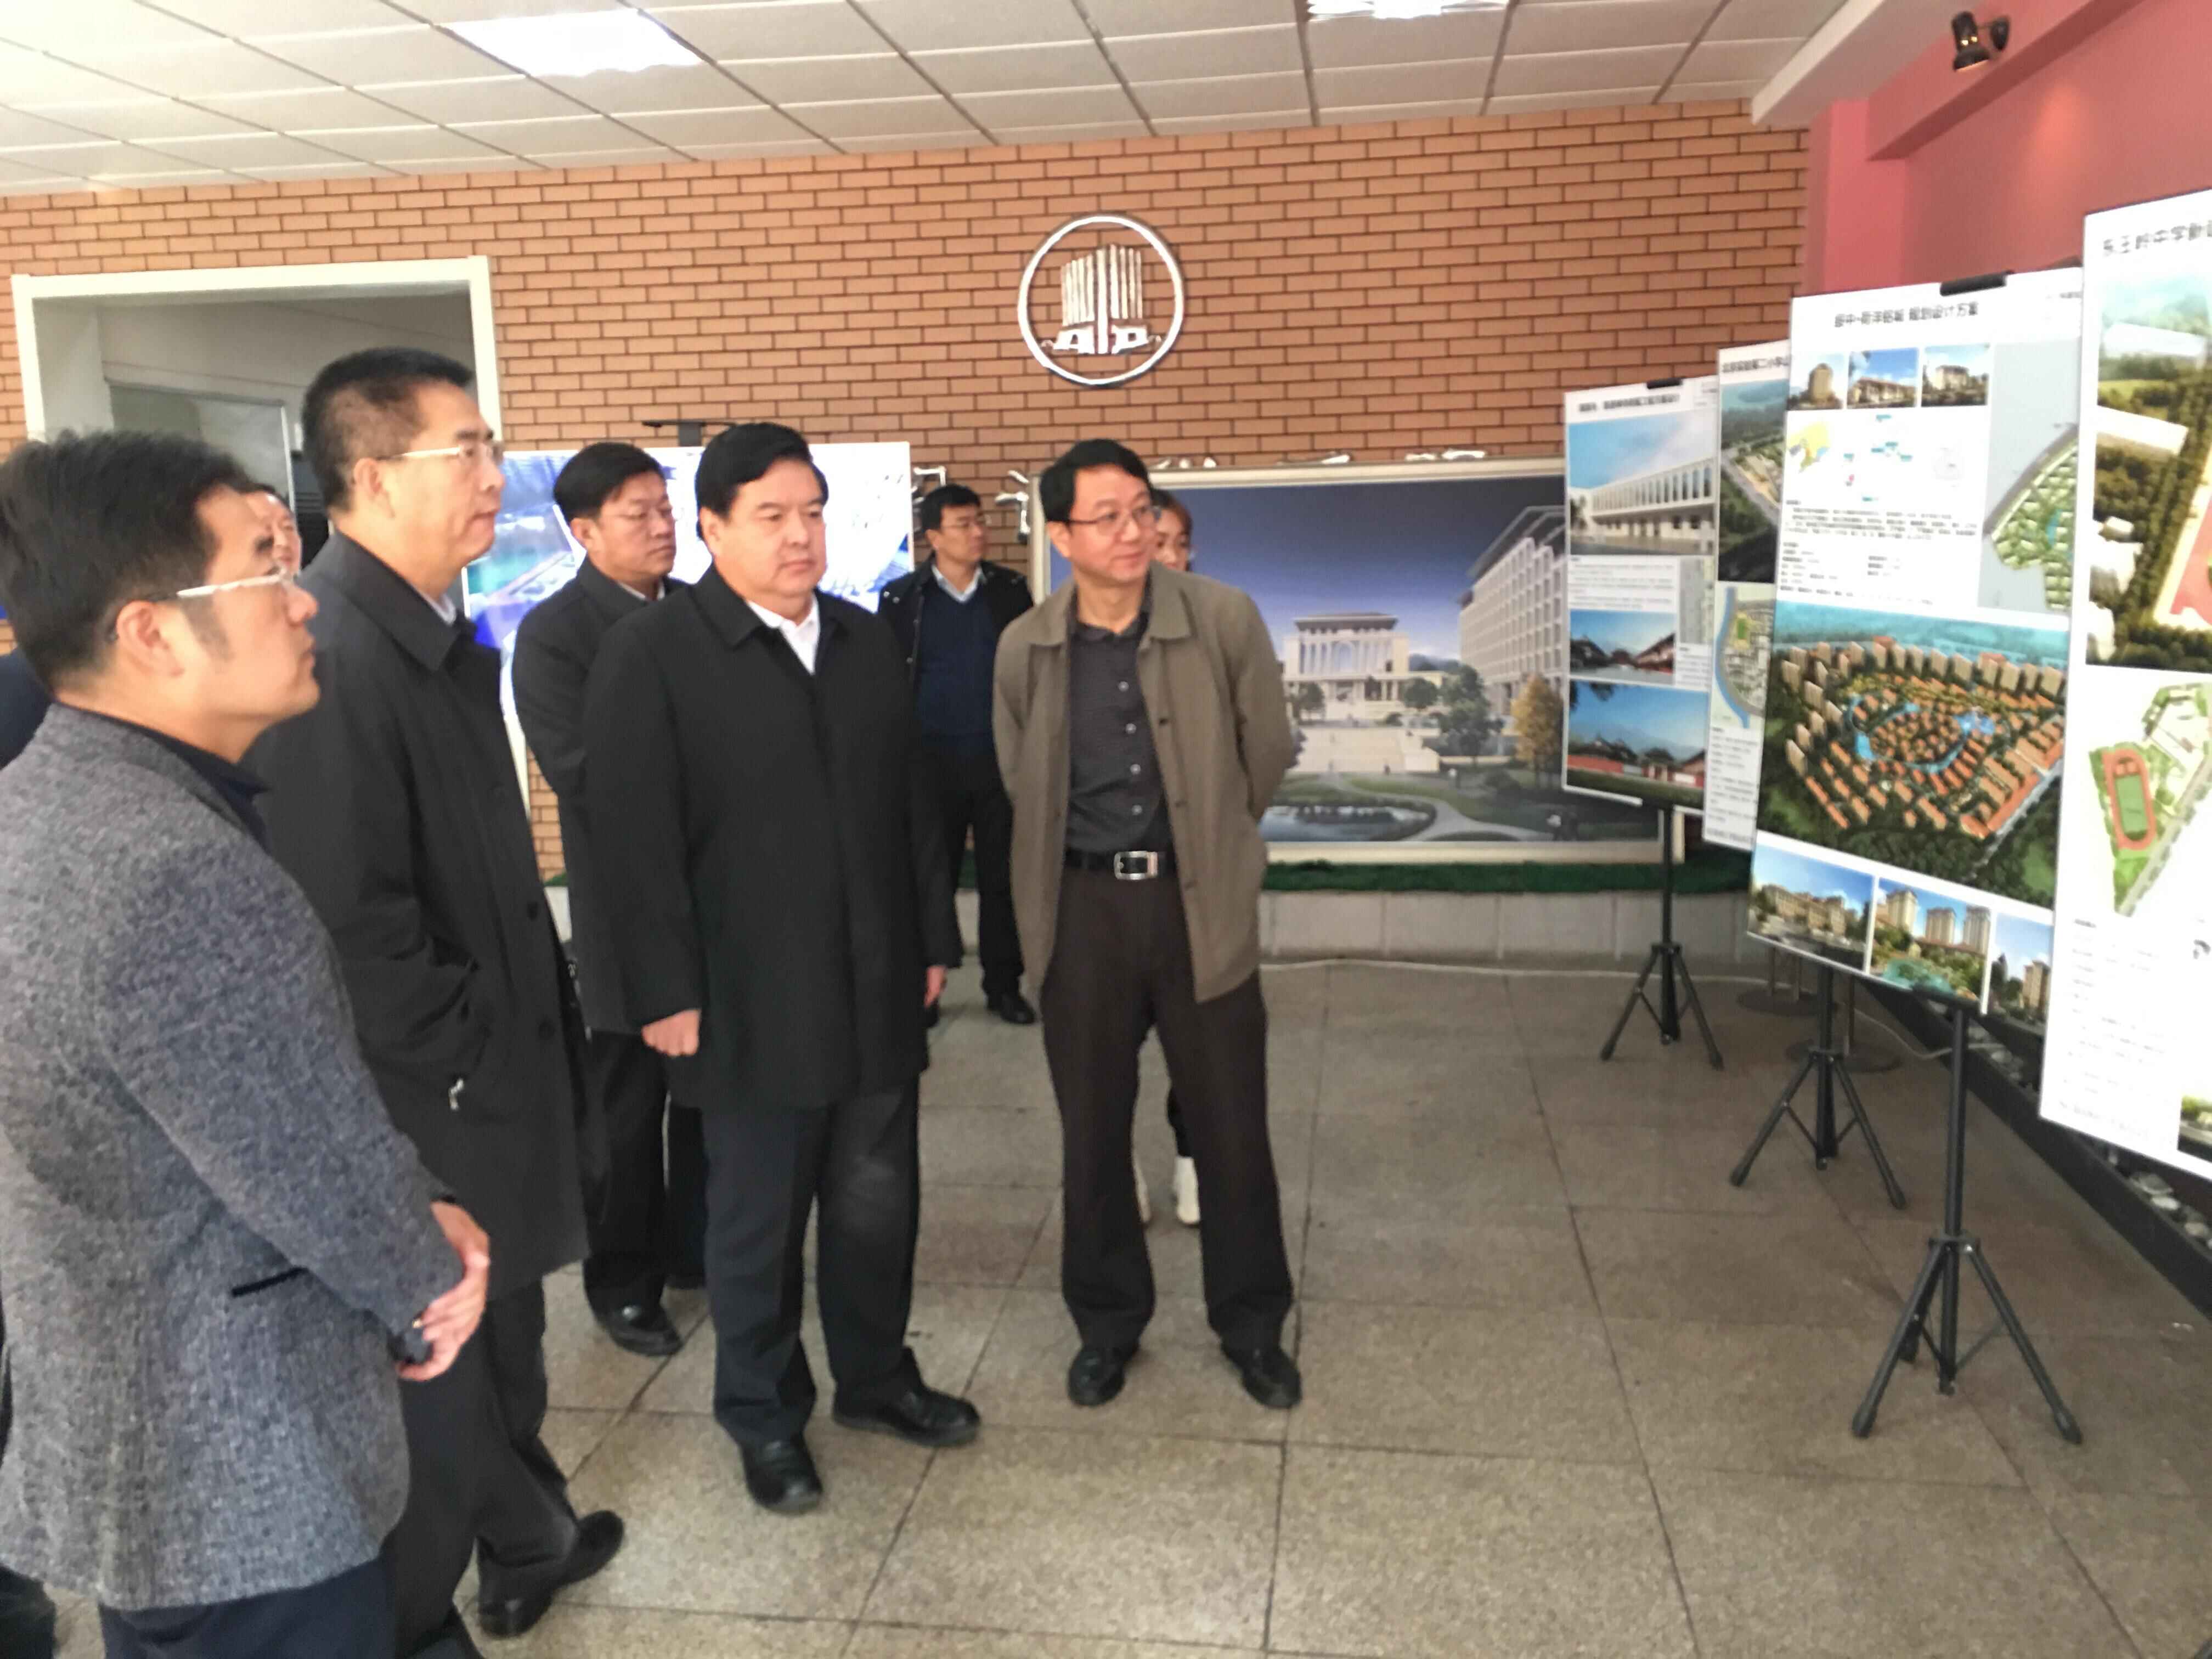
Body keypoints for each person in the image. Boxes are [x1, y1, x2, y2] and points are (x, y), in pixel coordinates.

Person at [0, 429, 490, 1657]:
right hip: (237, 1459)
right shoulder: (174, 869)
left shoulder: (38, 800)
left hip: (131, 1430)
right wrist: (430, 1273)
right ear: (152, 632)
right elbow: (306, 1161)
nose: (302, 597)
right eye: (266, 569)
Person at [248, 349, 622, 1655]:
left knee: (503, 1343)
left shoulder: (424, 633)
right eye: (462, 450)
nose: (493, 475)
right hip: (433, 1102)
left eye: (491, 446)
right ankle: (425, 1612)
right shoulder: (334, 651)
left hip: (484, 1073)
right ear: (365, 477)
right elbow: (354, 928)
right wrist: (476, 1058)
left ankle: (529, 1537)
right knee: (441, 1378)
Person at [585, 422, 979, 1516]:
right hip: (743, 995)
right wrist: (661, 991)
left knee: (876, 1197)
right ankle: (762, 1414)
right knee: (754, 1221)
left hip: (873, 978)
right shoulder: (655, 654)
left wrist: (932, 940)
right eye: (771, 515)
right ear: (712, 527)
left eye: (812, 512)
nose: (799, 535)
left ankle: (876, 1377)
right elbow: (630, 842)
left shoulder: (862, 642)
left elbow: (911, 808)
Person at [994, 439, 1301, 1412]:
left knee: (1230, 1124)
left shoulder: (1221, 618)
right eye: (1106, 517)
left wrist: (1212, 839)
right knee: (1091, 1130)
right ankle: (1106, 1325)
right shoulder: (1027, 645)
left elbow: (1266, 747)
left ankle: (1252, 1326)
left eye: (1142, 510)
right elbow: (1020, 776)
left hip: (1194, 902)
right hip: (1081, 910)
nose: (1132, 532)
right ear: (1060, 536)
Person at [512, 443, 707, 1358]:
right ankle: (623, 1281)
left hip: (722, 898)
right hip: (626, 906)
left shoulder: (703, 615)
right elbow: (583, 772)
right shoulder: (555, 635)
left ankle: (699, 1248)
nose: (663, 526)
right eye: (639, 514)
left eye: (665, 508)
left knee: (714, 1093)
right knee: (628, 1106)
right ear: (584, 531)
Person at [879, 483, 1035, 1027]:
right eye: (963, 524)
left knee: (1002, 880)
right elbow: (889, 683)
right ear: (933, 536)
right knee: (931, 882)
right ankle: (927, 989)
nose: (978, 532)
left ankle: (1004, 987)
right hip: (930, 766)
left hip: (999, 761)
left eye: (980, 521)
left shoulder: (1010, 592)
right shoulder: (903, 599)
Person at [1143, 487, 1201, 1231]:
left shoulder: (1215, 633)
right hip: (1101, 884)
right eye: (1160, 542)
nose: (1170, 557)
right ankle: (1116, 1171)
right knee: (1105, 1053)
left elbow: (1260, 750)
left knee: (1199, 1044)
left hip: (1192, 880)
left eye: (1182, 544)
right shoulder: (1071, 643)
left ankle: (1193, 1162)